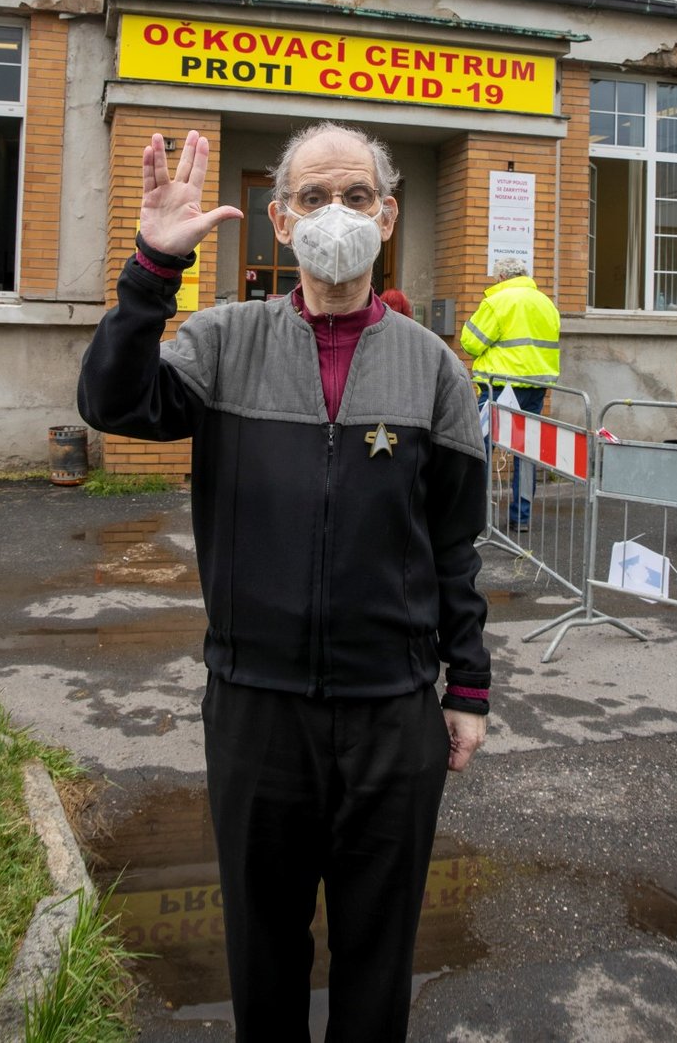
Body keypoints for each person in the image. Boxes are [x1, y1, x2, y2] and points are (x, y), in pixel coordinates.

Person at [77, 123, 490, 1042]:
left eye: (354, 197)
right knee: (262, 948)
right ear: (277, 219)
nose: (333, 215)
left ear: (388, 215)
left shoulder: (435, 370)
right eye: (312, 197)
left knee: (378, 953)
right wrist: (152, 267)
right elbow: (110, 402)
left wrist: (467, 687)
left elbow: (456, 544)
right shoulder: (223, 343)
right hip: (256, 706)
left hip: (393, 710)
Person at [460, 257, 561, 533]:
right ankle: (522, 517)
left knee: (479, 448)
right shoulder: (546, 303)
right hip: (536, 388)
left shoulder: (498, 301)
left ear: (502, 276)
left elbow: (470, 342)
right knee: (526, 452)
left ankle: (475, 516)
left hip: (500, 388)